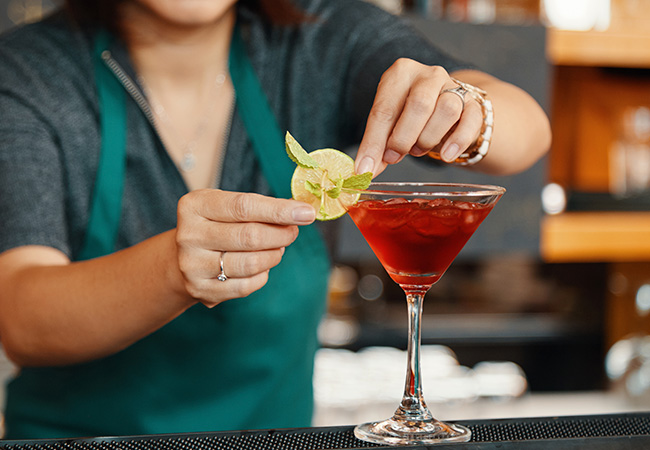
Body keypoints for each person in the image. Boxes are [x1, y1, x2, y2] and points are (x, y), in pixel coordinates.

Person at [0, 0, 551, 440]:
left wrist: (469, 109)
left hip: (277, 438)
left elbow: (528, 129)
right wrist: (171, 268)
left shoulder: (324, 37)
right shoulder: (29, 71)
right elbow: (22, 319)